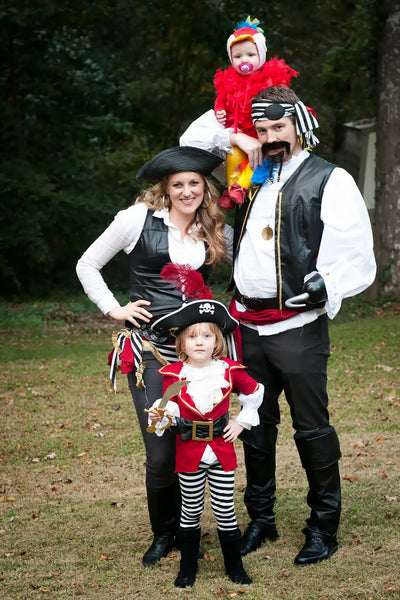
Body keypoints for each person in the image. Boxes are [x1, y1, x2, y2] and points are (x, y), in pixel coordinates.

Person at [180, 84, 376, 566]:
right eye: (261, 128)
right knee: (254, 426)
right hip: (246, 324)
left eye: (277, 127)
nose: (269, 136)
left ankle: (323, 527)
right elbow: (192, 141)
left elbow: (356, 249)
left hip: (298, 325)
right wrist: (238, 132)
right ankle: (261, 521)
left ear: (300, 124)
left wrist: (327, 283)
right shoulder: (252, 177)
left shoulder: (331, 179)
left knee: (311, 429)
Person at [76, 146, 233, 567]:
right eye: (177, 184)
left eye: (194, 184)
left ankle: (189, 531)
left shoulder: (214, 228)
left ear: (205, 188)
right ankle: (164, 534)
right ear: (165, 188)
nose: (186, 191)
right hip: (149, 353)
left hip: (199, 357)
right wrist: (115, 309)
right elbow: (87, 264)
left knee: (196, 440)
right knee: (161, 449)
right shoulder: (135, 221)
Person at [147, 268, 263, 587]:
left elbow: (255, 393)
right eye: (193, 335)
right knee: (190, 511)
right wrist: (161, 417)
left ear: (217, 341)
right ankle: (187, 568)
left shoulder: (230, 370)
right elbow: (168, 408)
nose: (200, 341)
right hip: (188, 453)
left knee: (226, 510)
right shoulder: (173, 375)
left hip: (222, 452)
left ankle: (234, 566)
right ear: (182, 342)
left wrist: (241, 421)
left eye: (207, 335)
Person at [180, 17, 298, 206]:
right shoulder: (229, 102)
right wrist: (234, 138)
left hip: (280, 195)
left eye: (250, 55)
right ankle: (235, 189)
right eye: (238, 56)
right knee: (235, 153)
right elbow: (187, 143)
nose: (244, 60)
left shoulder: (280, 99)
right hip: (244, 206)